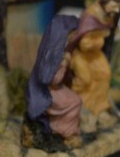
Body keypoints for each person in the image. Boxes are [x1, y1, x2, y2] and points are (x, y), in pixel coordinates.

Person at [25, 15, 83, 148]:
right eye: (72, 35)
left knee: (74, 98)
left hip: (53, 88)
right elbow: (51, 80)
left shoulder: (59, 49)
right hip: (46, 91)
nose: (74, 37)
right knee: (75, 102)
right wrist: (64, 64)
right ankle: (64, 130)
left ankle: (62, 125)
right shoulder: (53, 53)